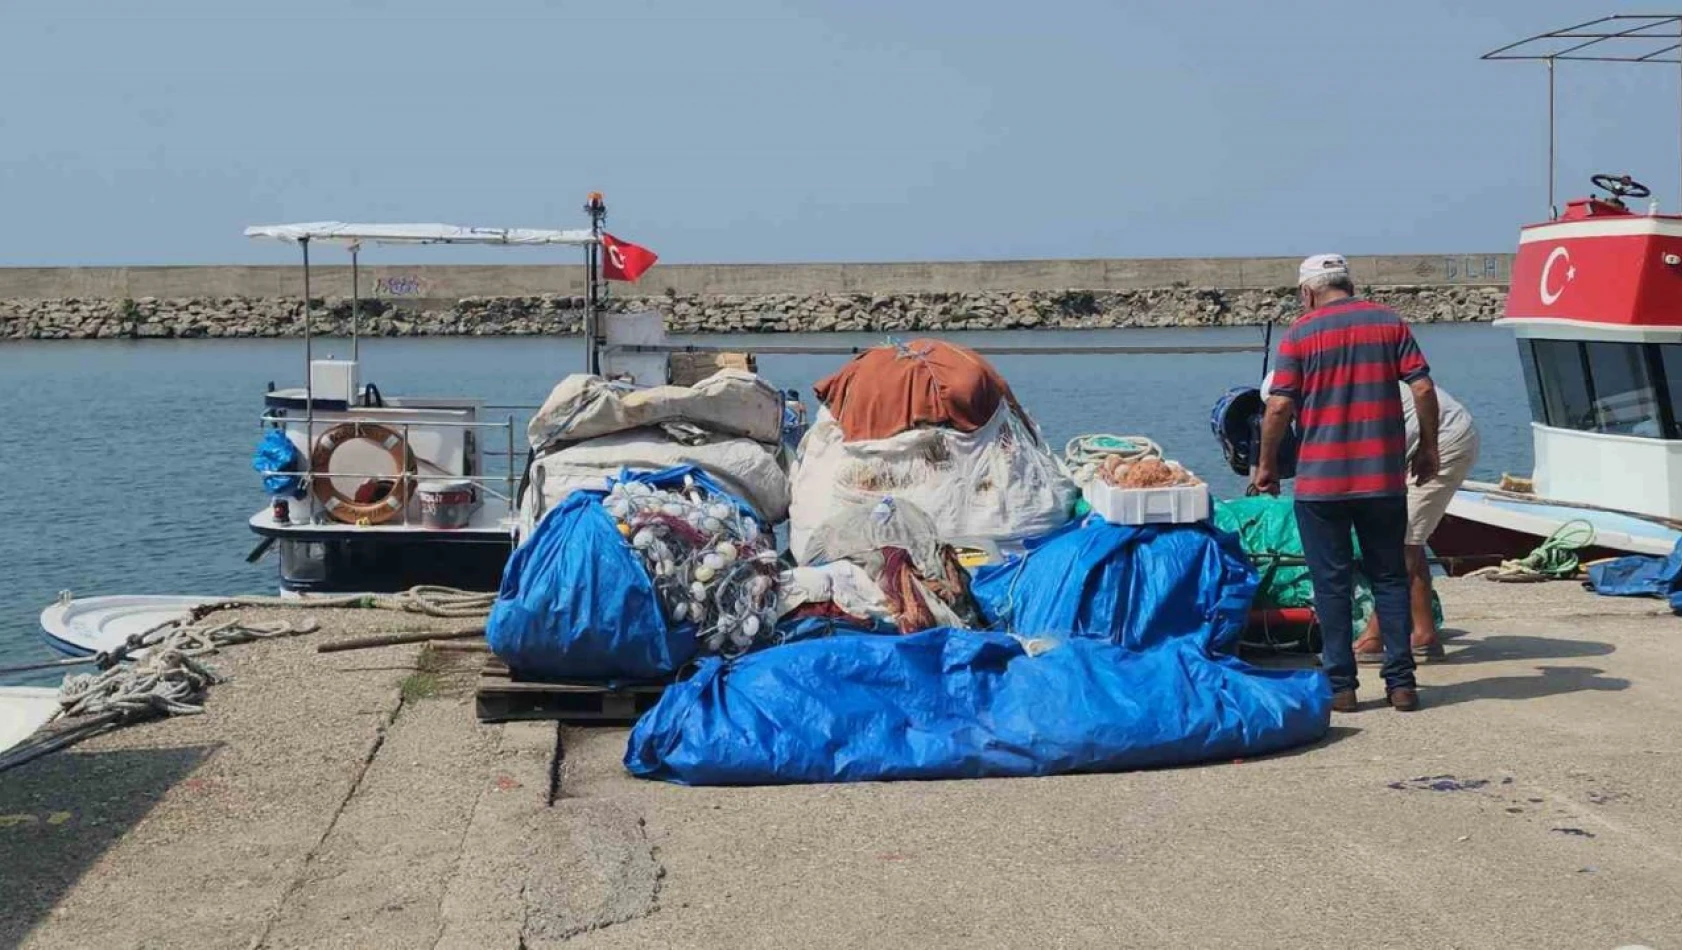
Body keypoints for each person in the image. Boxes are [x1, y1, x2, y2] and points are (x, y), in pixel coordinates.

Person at [1254, 254, 1440, 713]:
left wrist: (1266, 465)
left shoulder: (1300, 334)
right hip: (1383, 480)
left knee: (1330, 583)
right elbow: (1422, 388)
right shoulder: (1389, 322)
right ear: (1347, 284)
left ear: (1308, 292)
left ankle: (1342, 688)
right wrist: (1429, 447)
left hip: (1322, 485)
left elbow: (1278, 407)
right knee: (1390, 579)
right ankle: (1401, 684)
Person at [1259, 375, 1478, 664]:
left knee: (1401, 544)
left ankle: (1376, 636)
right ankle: (1424, 634)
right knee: (1410, 537)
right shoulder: (1332, 389)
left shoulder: (1337, 402)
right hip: (1412, 444)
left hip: (1444, 440)